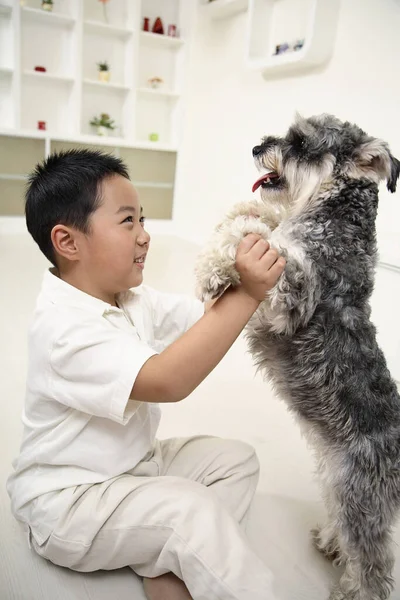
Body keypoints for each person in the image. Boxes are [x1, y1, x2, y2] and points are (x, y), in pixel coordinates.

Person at [7, 149, 286, 600]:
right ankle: (189, 554)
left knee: (237, 461)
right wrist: (249, 292)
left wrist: (239, 272)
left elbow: (204, 316)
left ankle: (167, 563)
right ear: (69, 242)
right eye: (128, 222)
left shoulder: (129, 298)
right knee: (188, 508)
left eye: (143, 220)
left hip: (134, 466)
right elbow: (167, 380)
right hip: (71, 502)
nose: (145, 236)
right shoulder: (64, 329)